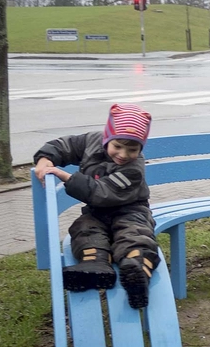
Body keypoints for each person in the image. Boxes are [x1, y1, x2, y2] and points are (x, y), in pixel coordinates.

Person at [34, 103, 158, 309]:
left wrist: (66, 177)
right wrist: (45, 158)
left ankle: (137, 269)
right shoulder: (92, 141)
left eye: (132, 149)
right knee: (84, 228)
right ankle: (96, 263)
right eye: (117, 146)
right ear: (107, 137)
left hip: (132, 210)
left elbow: (100, 192)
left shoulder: (134, 169)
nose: (123, 154)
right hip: (97, 212)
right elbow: (66, 145)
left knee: (134, 234)